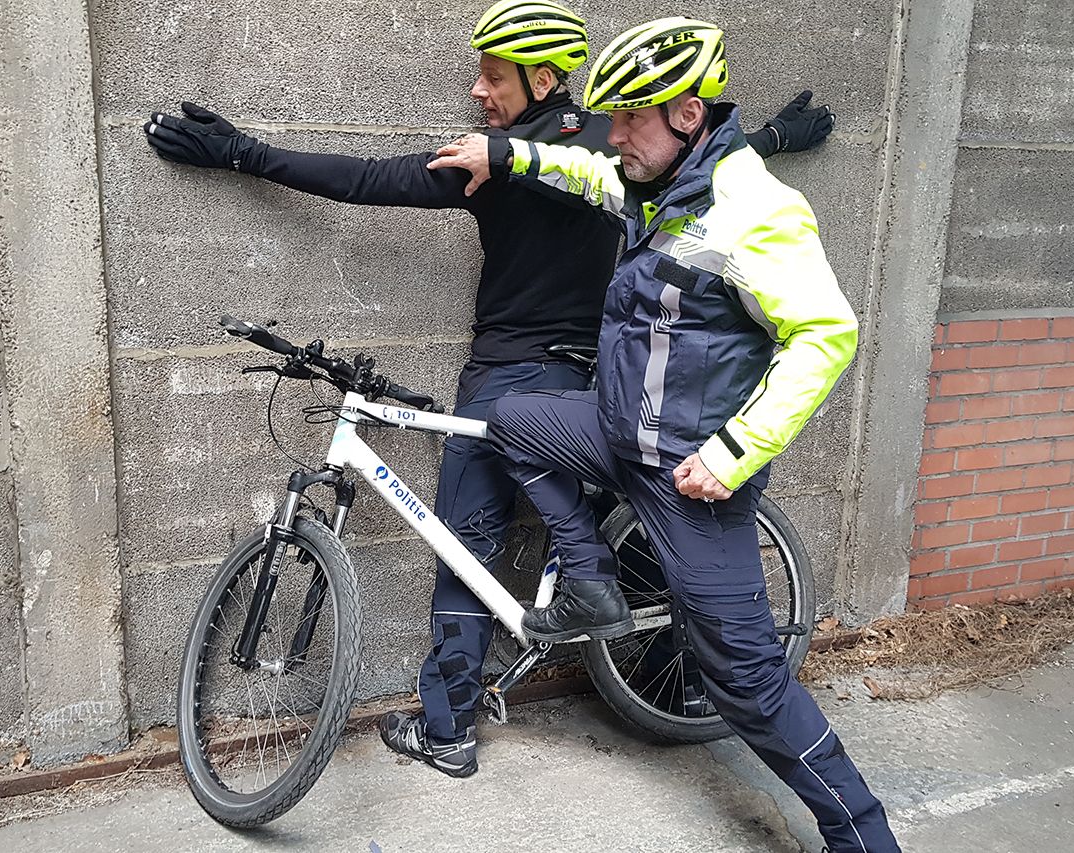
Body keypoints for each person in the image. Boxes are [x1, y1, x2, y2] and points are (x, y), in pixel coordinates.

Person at [142, 0, 834, 780]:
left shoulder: (502, 158)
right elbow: (700, 149)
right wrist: (779, 136)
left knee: (465, 545)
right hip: (597, 379)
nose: (477, 90)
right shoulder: (618, 142)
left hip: (514, 372)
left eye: (493, 76)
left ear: (543, 78)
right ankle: (617, 615)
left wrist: (244, 152)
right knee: (605, 526)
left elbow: (373, 180)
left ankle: (448, 729)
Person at [428, 17, 899, 852]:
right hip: (613, 431)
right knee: (507, 418)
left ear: (687, 113)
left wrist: (734, 452)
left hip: (688, 476)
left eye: (630, 120)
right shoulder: (655, 185)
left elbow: (827, 334)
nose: (615, 136)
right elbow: (581, 170)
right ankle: (593, 579)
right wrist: (502, 155)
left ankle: (862, 834)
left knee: (747, 684)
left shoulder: (758, 210)